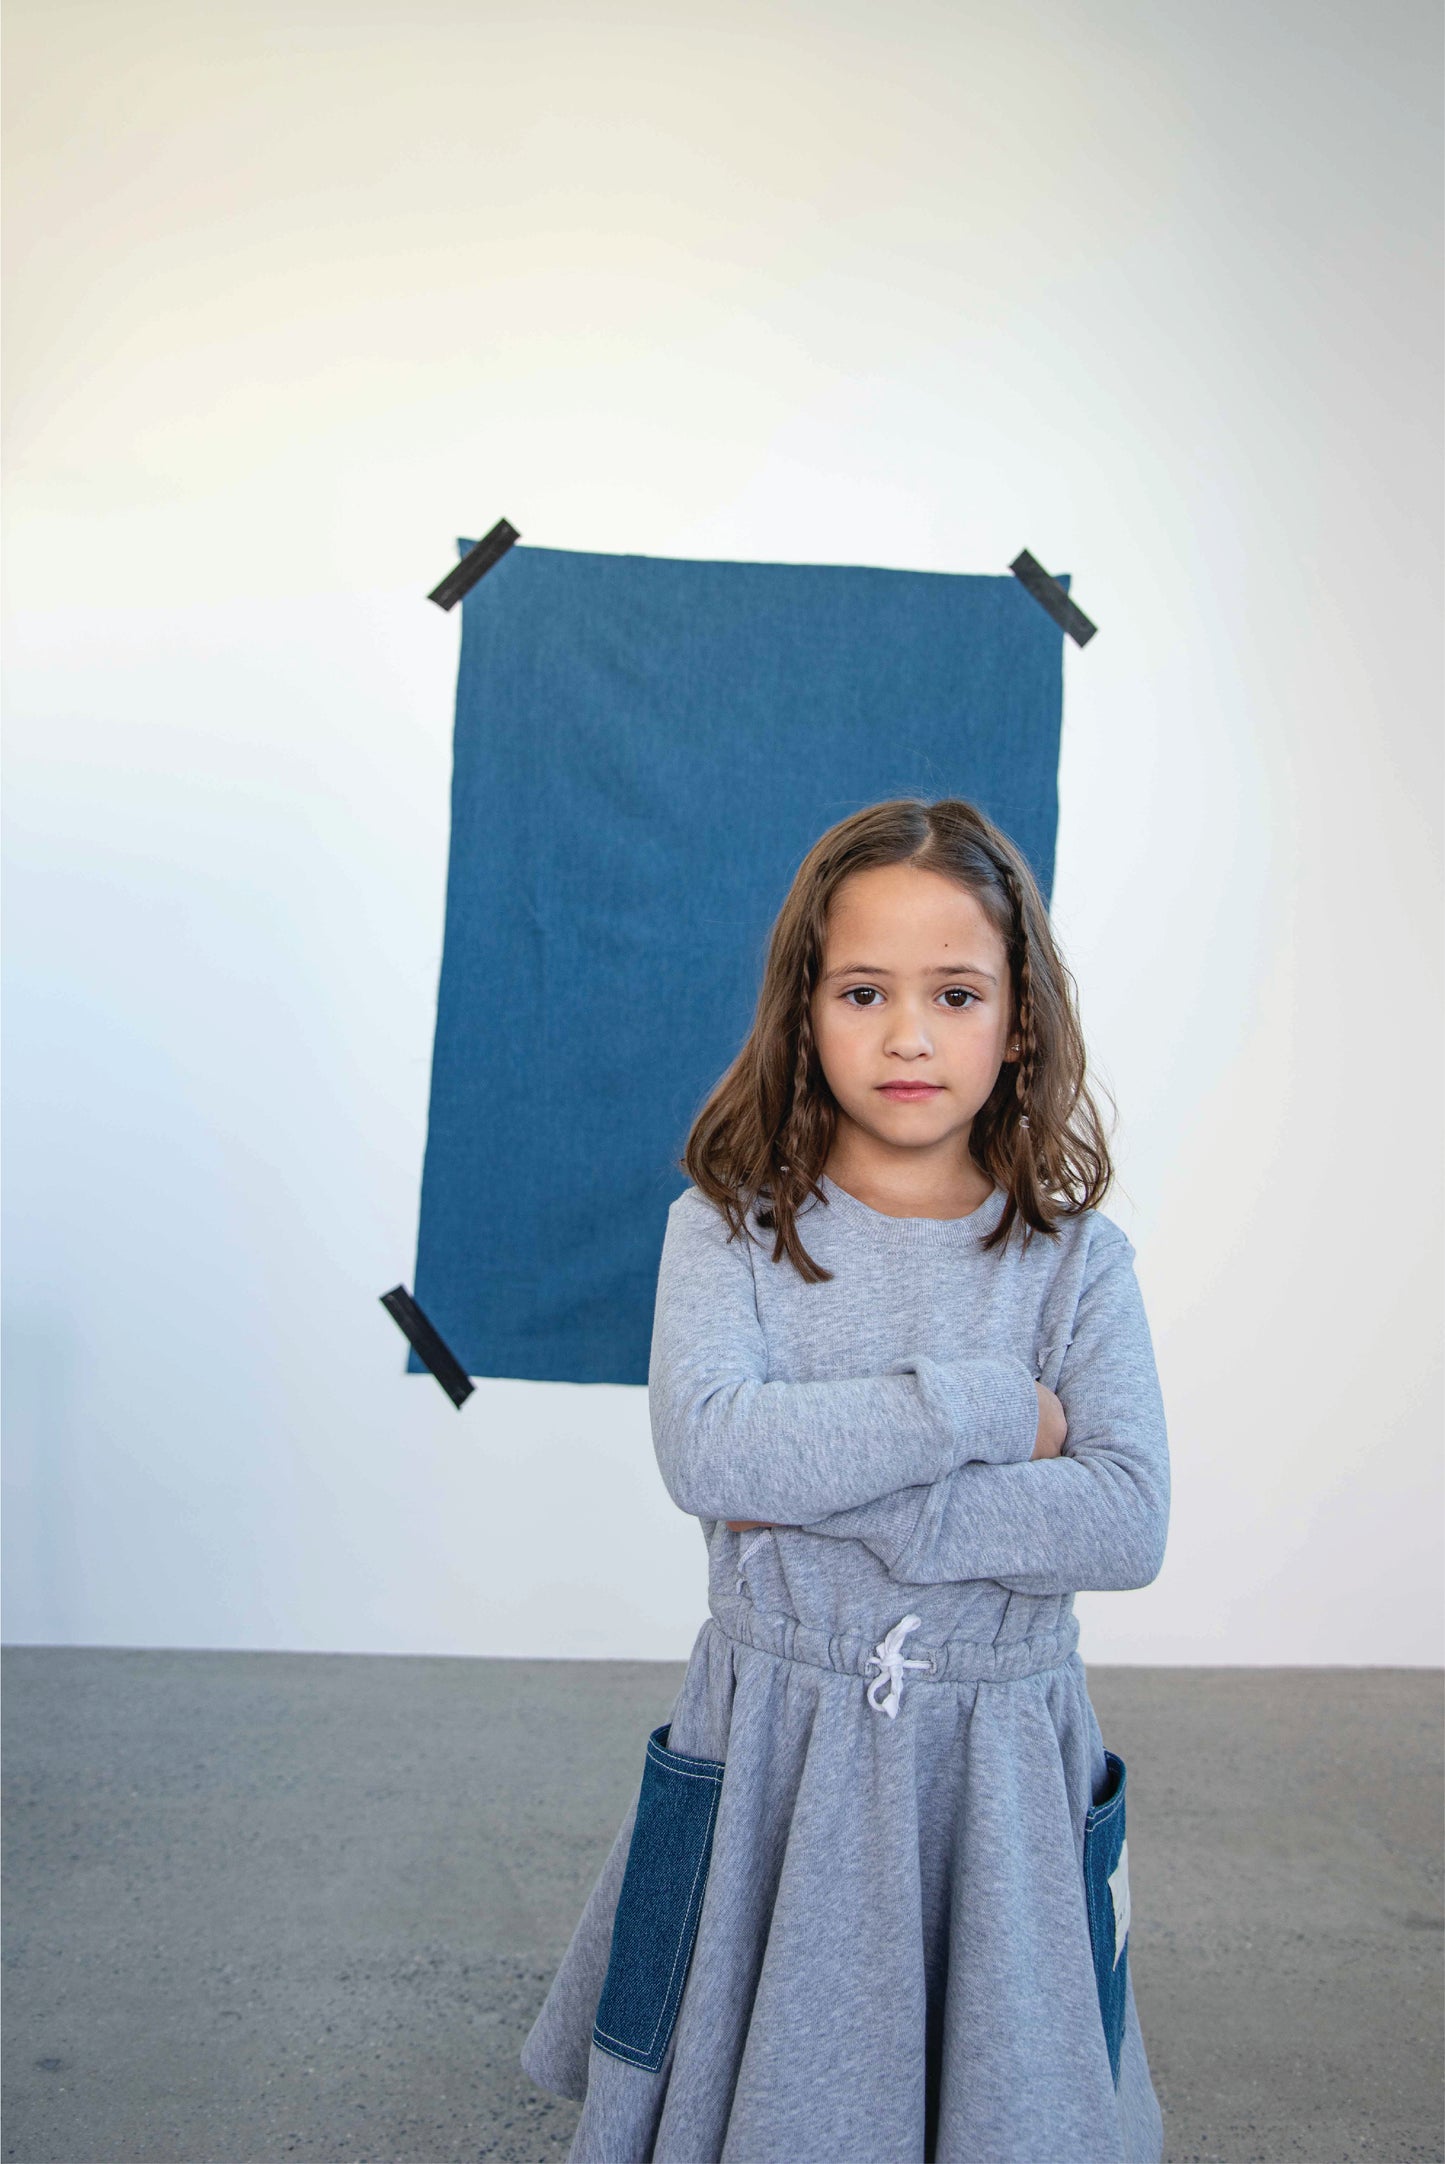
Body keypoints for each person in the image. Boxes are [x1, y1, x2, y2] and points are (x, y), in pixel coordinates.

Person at [521, 796, 1170, 2163]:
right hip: (775, 1748)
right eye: (863, 991)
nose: (908, 1034)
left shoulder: (1075, 1265)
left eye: (954, 992)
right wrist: (991, 1410)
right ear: (802, 1009)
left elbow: (1122, 1517)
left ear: (1020, 1020)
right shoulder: (727, 1232)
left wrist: (828, 1482)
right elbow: (709, 1453)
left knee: (1003, 2099)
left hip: (993, 1765)